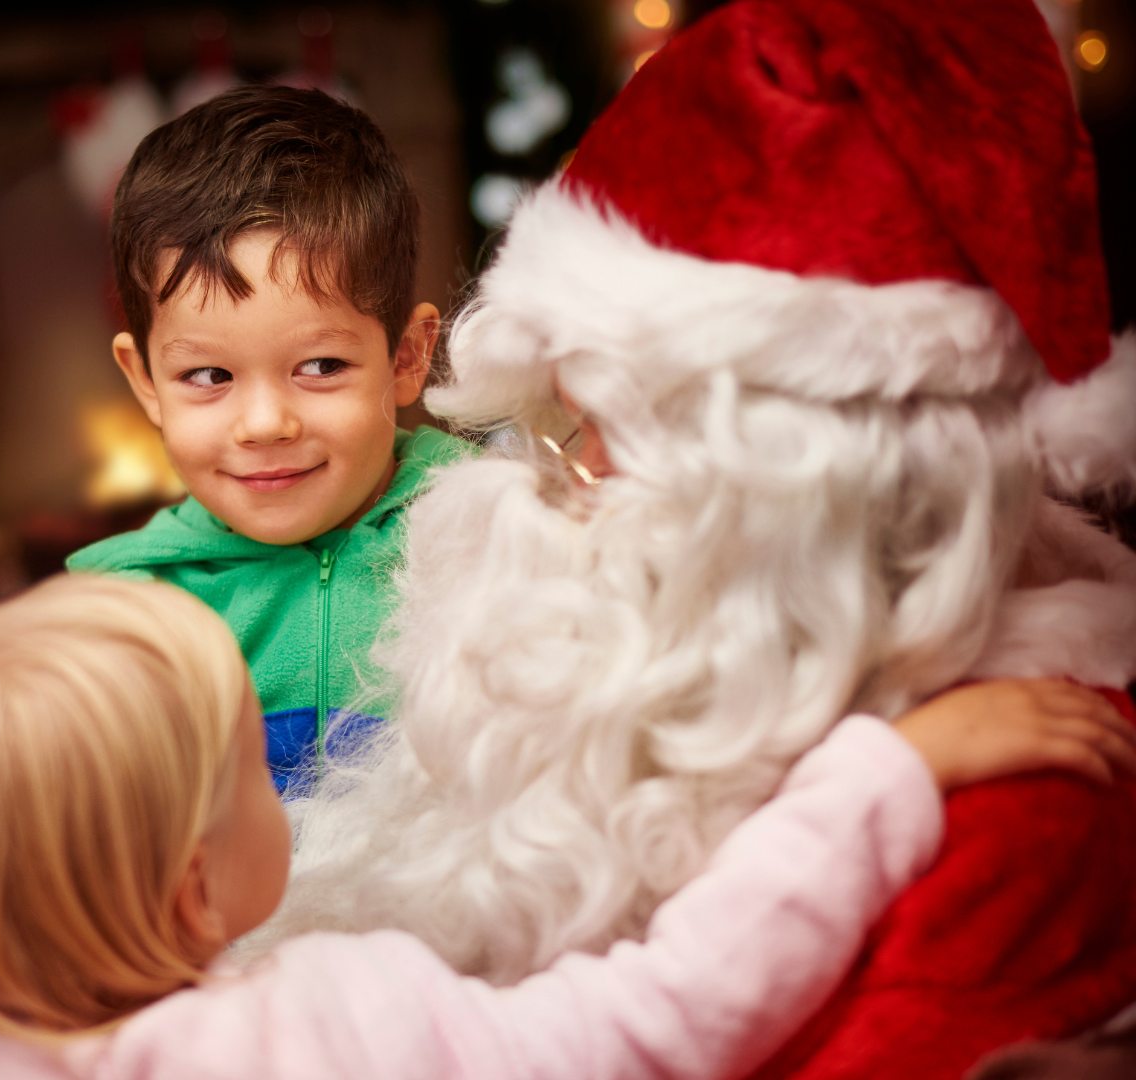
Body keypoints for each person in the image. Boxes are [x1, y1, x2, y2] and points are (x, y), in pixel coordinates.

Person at [270, 0, 1136, 1074]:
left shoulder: (1025, 805)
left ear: (803, 492)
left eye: (599, 436)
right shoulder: (727, 698)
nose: (556, 488)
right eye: (554, 428)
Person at [0, 574, 1131, 1080]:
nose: (288, 783)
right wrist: (878, 771)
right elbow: (670, 1014)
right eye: (257, 766)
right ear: (198, 890)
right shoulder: (329, 1028)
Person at [66, 86, 470, 790]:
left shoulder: (486, 532)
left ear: (407, 358)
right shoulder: (129, 615)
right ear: (146, 382)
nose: (263, 425)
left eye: (320, 367)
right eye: (209, 375)